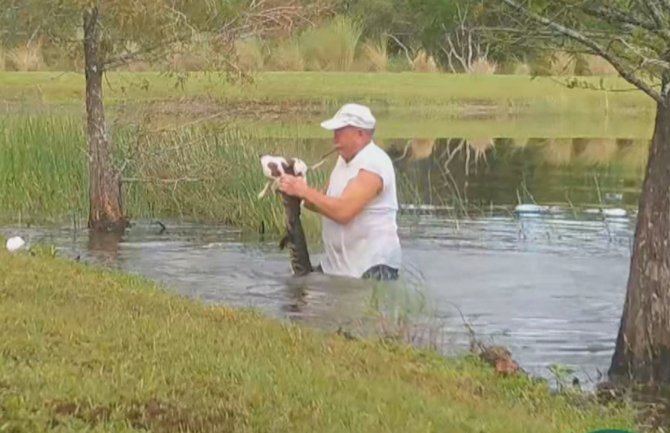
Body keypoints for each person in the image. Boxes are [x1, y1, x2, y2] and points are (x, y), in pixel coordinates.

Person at [278, 103, 402, 281]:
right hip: (338, 268)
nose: (334, 138)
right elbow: (323, 202)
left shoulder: (373, 164)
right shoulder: (343, 161)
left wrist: (303, 190)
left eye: (340, 132)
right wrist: (297, 190)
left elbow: (343, 212)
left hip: (372, 268)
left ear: (360, 134)